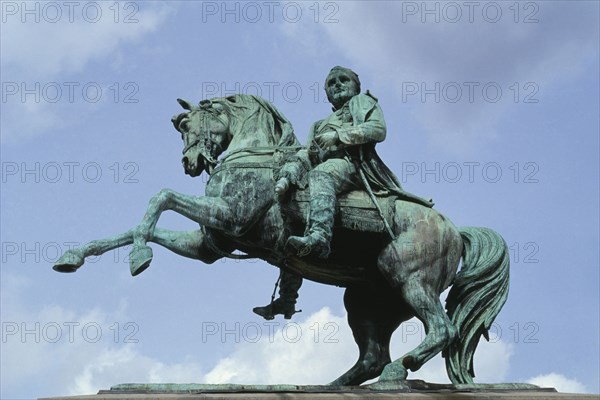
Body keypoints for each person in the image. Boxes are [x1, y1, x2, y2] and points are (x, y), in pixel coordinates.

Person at [253, 66, 433, 320]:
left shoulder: (362, 102)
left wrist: (339, 135)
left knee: (322, 174)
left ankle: (319, 236)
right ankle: (287, 298)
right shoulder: (318, 124)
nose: (337, 85)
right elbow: (309, 153)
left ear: (355, 86)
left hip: (353, 167)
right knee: (288, 215)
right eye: (331, 83)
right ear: (326, 93)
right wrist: (289, 172)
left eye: (343, 80)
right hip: (324, 169)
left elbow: (377, 129)